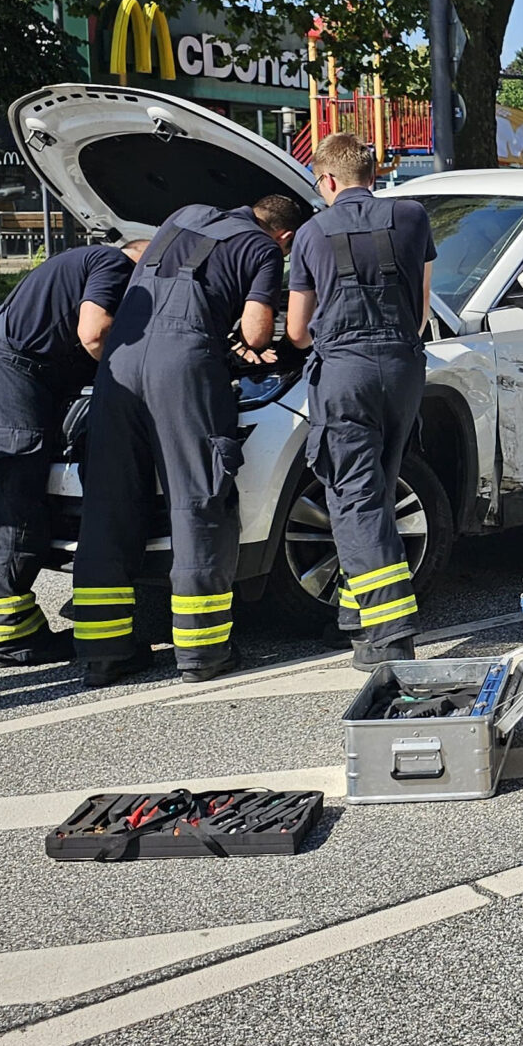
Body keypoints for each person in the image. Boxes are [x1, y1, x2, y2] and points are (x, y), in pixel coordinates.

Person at [71, 193, 308, 685]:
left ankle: (103, 652)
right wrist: (249, 340)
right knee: (198, 502)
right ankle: (202, 652)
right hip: (182, 369)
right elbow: (258, 333)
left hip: (120, 365)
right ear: (283, 237)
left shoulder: (181, 217)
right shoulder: (263, 250)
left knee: (109, 504)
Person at [0, 240, 142, 667]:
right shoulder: (114, 263)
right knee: (8, 506)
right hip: (5, 386)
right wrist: (135, 381)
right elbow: (95, 332)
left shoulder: (73, 262)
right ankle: (9, 635)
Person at [286, 134, 436, 670]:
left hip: (344, 375)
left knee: (356, 502)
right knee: (379, 493)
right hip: (402, 369)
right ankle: (355, 617)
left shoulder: (309, 233)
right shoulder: (414, 216)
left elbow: (299, 332)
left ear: (327, 180)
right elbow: (420, 310)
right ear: (371, 173)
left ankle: (390, 634)